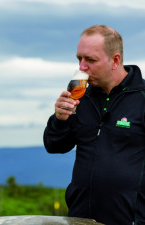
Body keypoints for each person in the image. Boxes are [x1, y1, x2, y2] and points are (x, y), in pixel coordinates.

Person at [43, 25, 145, 225]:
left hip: (129, 220)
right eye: (79, 59)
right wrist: (59, 119)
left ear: (115, 60)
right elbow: (55, 146)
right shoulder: (81, 98)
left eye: (90, 60)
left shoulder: (141, 98)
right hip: (80, 218)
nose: (81, 67)